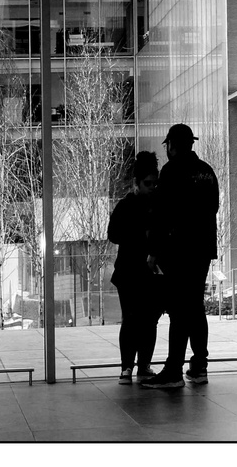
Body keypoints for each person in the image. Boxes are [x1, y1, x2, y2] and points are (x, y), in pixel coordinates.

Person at [141, 123, 219, 391]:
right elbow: (213, 209)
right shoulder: (207, 172)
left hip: (179, 250)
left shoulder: (172, 171)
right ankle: (199, 367)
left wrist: (154, 252)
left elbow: (162, 214)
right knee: (195, 307)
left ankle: (173, 370)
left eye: (168, 145)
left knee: (179, 309)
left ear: (172, 145)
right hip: (203, 250)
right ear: (192, 144)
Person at [107, 150, 163, 384]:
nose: (152, 187)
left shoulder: (125, 206)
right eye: (149, 183)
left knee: (136, 319)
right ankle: (140, 366)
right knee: (145, 320)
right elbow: (114, 235)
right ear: (137, 183)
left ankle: (129, 367)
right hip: (143, 272)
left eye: (154, 183)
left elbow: (114, 235)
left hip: (129, 271)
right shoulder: (156, 207)